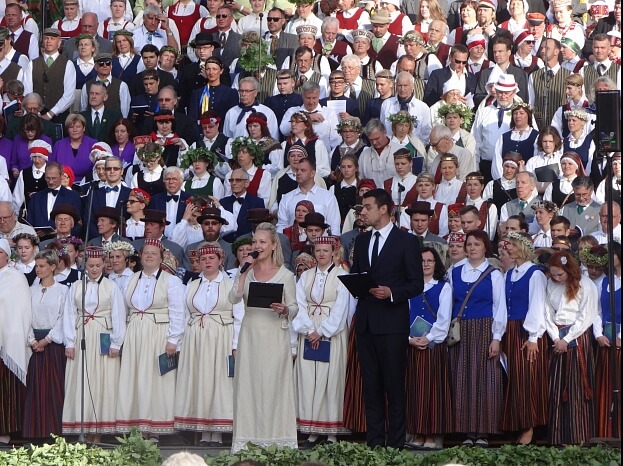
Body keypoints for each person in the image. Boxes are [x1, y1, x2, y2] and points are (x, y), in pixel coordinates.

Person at [350, 188, 423, 448]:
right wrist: (355, 285)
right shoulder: (361, 241)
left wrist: (392, 292)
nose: (363, 211)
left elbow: (416, 284)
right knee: (370, 387)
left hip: (392, 324)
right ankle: (374, 444)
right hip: (366, 322)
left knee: (394, 386)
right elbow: (357, 275)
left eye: (368, 207)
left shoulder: (406, 241)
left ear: (383, 209)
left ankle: (395, 445)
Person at [229, 222, 298, 452]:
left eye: (262, 242)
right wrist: (243, 272)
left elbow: (294, 307)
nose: (257, 245)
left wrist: (285, 309)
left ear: (273, 245)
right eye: (255, 241)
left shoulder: (286, 275)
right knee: (248, 385)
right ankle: (247, 439)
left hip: (274, 334)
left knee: (274, 385)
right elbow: (233, 298)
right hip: (250, 333)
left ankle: (278, 440)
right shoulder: (247, 272)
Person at [116, 238, 186, 441]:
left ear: (161, 257)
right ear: (140, 256)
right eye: (146, 252)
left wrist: (173, 340)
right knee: (135, 377)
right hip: (135, 332)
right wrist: (120, 339)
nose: (149, 256)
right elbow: (121, 311)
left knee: (156, 379)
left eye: (153, 253)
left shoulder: (171, 281)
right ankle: (138, 425)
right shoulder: (130, 279)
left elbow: (177, 312)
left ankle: (156, 427)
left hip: (158, 332)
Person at [175, 244, 243, 446]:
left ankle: (218, 432)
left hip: (221, 336)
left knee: (219, 381)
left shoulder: (231, 284)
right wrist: (180, 343)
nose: (207, 262)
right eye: (203, 259)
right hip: (195, 338)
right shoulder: (192, 284)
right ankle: (204, 431)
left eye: (212, 258)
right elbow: (184, 315)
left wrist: (236, 344)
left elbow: (239, 317)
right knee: (200, 380)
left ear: (221, 260)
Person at [448, 230, 506, 447]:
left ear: (485, 248)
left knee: (484, 379)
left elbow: (499, 307)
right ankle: (466, 430)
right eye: (469, 244)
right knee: (462, 378)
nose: (472, 248)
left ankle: (483, 431)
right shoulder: (454, 271)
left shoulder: (494, 274)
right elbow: (449, 303)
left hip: (484, 329)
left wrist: (496, 337)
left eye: (477, 244)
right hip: (461, 331)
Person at [61, 246, 126, 442]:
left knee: (101, 381)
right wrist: (69, 342)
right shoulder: (76, 286)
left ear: (104, 265)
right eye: (91, 266)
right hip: (81, 335)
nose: (94, 269)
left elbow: (118, 315)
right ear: (85, 266)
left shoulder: (111, 287)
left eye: (98, 265)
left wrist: (116, 342)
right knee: (81, 378)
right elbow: (69, 314)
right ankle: (82, 425)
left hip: (102, 334)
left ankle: (97, 428)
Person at [293, 235, 350, 446]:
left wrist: (323, 330)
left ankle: (331, 433)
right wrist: (309, 329)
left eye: (326, 250)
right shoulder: (306, 276)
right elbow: (299, 304)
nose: (322, 254)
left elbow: (341, 308)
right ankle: (311, 431)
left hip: (331, 333)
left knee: (330, 379)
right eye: (318, 250)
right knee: (308, 379)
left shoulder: (342, 276)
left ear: (334, 253)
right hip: (309, 329)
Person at [544, 251, 598, 445]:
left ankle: (579, 436)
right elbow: (547, 312)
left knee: (577, 387)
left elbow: (587, 315)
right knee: (557, 386)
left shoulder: (586, 285)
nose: (557, 278)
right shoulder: (550, 284)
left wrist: (567, 339)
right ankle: (558, 437)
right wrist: (555, 336)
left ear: (569, 270)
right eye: (554, 275)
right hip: (556, 336)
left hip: (577, 336)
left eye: (560, 274)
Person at [500, 231, 549, 444]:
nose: (507, 248)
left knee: (527, 379)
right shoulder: (510, 274)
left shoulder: (534, 274)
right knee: (515, 379)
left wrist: (533, 337)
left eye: (511, 245)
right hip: (511, 330)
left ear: (522, 247)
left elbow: (537, 304)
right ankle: (518, 423)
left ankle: (530, 426)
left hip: (526, 330)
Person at [405, 246, 452, 450]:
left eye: (429, 261)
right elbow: (402, 315)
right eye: (422, 261)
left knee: (432, 390)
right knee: (415, 390)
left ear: (436, 264)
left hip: (433, 346)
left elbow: (444, 318)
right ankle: (417, 432)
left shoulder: (444, 287)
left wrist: (429, 338)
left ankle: (431, 435)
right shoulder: (409, 287)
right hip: (412, 345)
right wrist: (409, 339)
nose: (425, 264)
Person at [23, 249, 68, 439]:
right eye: (36, 266)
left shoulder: (63, 290)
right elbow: (25, 316)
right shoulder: (30, 291)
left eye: (42, 266)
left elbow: (63, 317)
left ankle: (54, 431)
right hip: (34, 343)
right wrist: (32, 340)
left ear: (52, 267)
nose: (38, 269)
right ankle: (35, 431)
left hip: (53, 344)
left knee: (53, 387)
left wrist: (47, 340)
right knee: (35, 387)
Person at [0, 238, 32, 444]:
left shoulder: (15, 277)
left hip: (8, 342)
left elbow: (20, 309)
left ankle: (6, 430)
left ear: (6, 255)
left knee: (6, 390)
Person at [593, 241, 621, 438]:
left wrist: (620, 337)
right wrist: (599, 334)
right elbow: (597, 311)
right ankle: (604, 431)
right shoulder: (604, 282)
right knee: (604, 386)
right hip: (605, 340)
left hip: (619, 339)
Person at [492, 103, 539, 180]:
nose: (518, 116)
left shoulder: (536, 136)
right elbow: (497, 160)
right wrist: (501, 179)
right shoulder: (504, 137)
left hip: (526, 181)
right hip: (505, 181)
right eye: (515, 113)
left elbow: (537, 160)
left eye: (521, 113)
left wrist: (527, 179)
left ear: (528, 115)